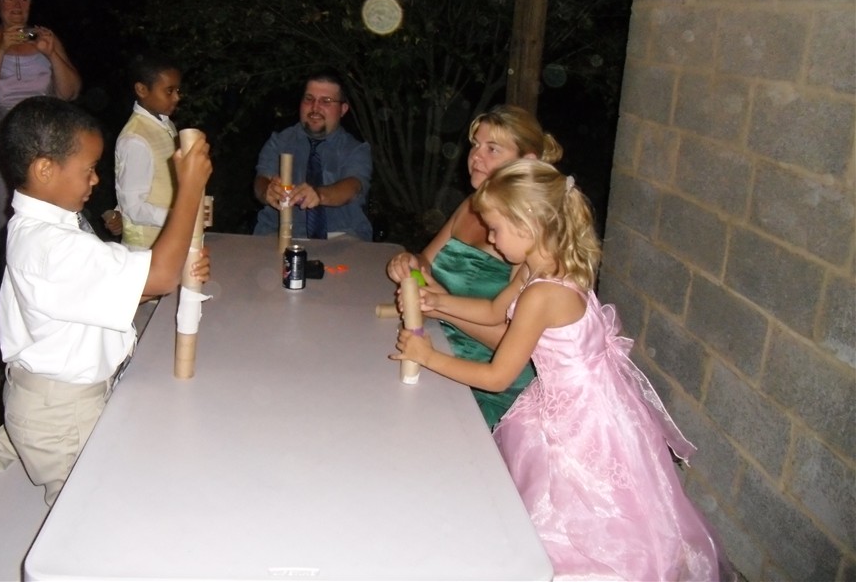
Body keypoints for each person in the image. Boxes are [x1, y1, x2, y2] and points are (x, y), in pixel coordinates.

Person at [391, 160, 734, 581]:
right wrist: (438, 302)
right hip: (577, 397)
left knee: (583, 513)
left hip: (579, 418)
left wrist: (429, 357)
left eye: (496, 229)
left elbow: (498, 376)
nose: (492, 240)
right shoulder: (539, 266)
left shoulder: (543, 294)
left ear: (528, 223)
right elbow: (495, 310)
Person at [0, 96, 211, 546]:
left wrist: (163, 271)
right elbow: (156, 276)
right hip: (62, 410)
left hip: (48, 400)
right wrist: (190, 190)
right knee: (90, 522)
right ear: (45, 169)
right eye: (89, 169)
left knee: (39, 431)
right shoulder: (50, 247)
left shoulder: (53, 227)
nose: (96, 179)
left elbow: (114, 284)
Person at [386, 105, 562, 428]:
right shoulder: (469, 205)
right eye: (475, 145)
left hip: (494, 389)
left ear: (527, 162)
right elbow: (425, 264)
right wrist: (410, 264)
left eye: (492, 149)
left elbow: (512, 344)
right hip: (439, 346)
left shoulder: (528, 240)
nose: (475, 156)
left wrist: (437, 306)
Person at [0, 0, 82, 241]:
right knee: (9, 215)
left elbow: (70, 92)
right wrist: (1, 49)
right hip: (1, 143)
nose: (17, 5)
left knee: (55, 211)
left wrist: (51, 53)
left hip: (46, 141)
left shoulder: (45, 38)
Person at [253, 71, 372, 240]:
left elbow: (352, 187)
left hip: (340, 235)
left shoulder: (355, 149)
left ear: (343, 109)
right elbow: (261, 181)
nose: (315, 108)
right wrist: (268, 190)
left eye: (326, 101)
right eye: (309, 99)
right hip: (278, 233)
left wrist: (319, 195)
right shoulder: (279, 142)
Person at [114, 56, 183, 250]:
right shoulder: (135, 139)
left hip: (168, 240)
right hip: (146, 248)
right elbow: (133, 207)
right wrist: (179, 216)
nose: (177, 97)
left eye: (178, 90)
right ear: (142, 90)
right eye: (169, 91)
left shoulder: (166, 124)